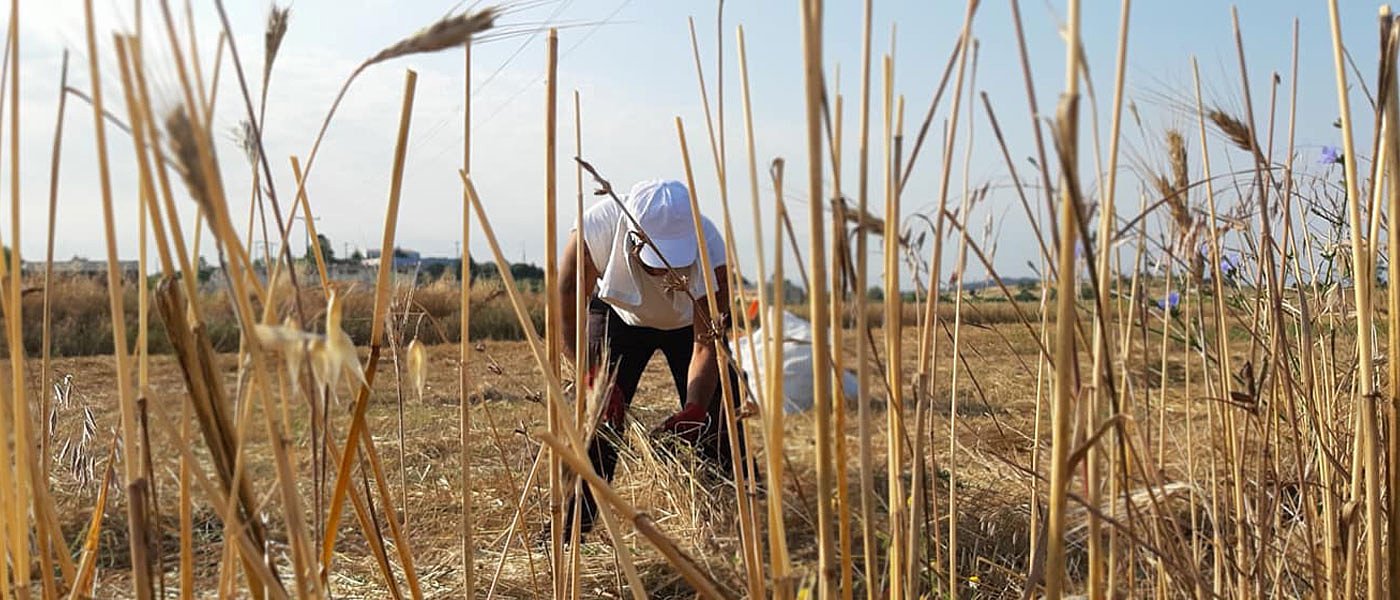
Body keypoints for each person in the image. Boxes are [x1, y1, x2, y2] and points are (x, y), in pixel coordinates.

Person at [558, 178, 743, 533]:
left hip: (687, 326)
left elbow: (706, 344)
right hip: (618, 315)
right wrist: (591, 377)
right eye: (655, 261)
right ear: (633, 237)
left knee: (719, 417)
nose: (663, 272)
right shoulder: (596, 229)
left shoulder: (712, 250)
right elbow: (564, 315)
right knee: (594, 419)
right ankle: (569, 528)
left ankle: (735, 517)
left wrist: (695, 409)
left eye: (674, 261)